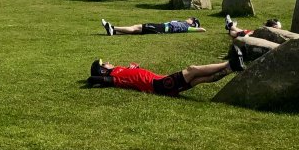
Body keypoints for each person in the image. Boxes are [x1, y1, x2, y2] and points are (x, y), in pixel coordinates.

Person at [84, 54, 243, 97]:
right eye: (104, 64)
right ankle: (231, 63)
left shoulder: (120, 71)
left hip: (161, 83)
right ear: (103, 71)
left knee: (199, 79)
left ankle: (231, 69)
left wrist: (133, 69)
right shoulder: (115, 78)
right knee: (192, 69)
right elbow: (94, 79)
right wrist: (94, 79)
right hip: (159, 85)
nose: (108, 62)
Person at [101, 17, 205, 35]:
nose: (188, 18)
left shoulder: (186, 27)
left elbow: (202, 30)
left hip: (161, 28)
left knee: (136, 27)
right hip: (161, 28)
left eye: (191, 19)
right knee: (137, 30)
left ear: (192, 23)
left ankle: (112, 27)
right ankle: (114, 32)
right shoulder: (184, 25)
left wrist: (196, 28)